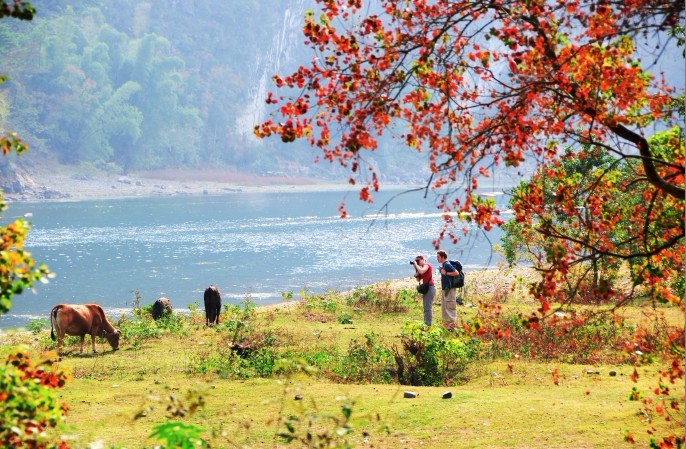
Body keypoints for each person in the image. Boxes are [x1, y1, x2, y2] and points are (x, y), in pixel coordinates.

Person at [436, 249, 461, 328]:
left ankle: (452, 325)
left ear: (443, 257)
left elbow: (456, 273)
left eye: (438, 257)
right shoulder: (444, 265)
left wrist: (446, 273)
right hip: (446, 289)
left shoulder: (447, 264)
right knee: (445, 306)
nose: (437, 258)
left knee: (450, 305)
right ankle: (447, 325)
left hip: (449, 289)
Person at [411, 255, 435, 326]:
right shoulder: (421, 268)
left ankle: (428, 324)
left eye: (418, 261)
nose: (418, 263)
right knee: (426, 306)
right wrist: (416, 268)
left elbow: (421, 271)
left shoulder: (427, 265)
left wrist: (416, 265)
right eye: (416, 262)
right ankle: (426, 323)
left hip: (430, 287)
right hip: (427, 288)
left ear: (422, 259)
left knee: (428, 307)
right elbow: (418, 279)